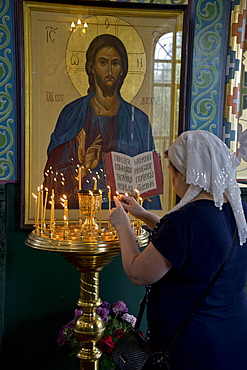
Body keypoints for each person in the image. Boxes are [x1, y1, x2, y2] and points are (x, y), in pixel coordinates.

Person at [108, 130, 247, 370]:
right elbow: (193, 245)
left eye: (171, 172)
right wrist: (143, 215)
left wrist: (122, 225)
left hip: (190, 347)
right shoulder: (239, 209)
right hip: (233, 336)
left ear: (186, 174)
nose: (172, 180)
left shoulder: (184, 221)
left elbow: (137, 273)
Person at [43, 34, 158, 209]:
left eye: (115, 63)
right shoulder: (71, 114)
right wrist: (82, 169)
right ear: (92, 68)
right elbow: (53, 177)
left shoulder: (139, 120)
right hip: (80, 211)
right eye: (103, 63)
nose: (110, 71)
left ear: (122, 69)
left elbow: (150, 184)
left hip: (126, 213)